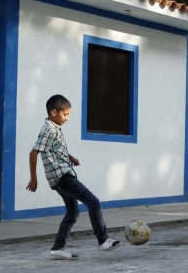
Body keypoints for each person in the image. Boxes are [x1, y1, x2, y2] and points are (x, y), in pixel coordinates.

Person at [26, 94, 122, 260]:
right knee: (94, 202)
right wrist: (33, 178)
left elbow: (54, 149)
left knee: (72, 212)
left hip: (59, 178)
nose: (67, 118)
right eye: (65, 114)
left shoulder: (53, 129)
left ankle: (57, 248)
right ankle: (103, 240)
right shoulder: (49, 130)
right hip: (63, 177)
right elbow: (34, 152)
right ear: (54, 112)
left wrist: (70, 157)